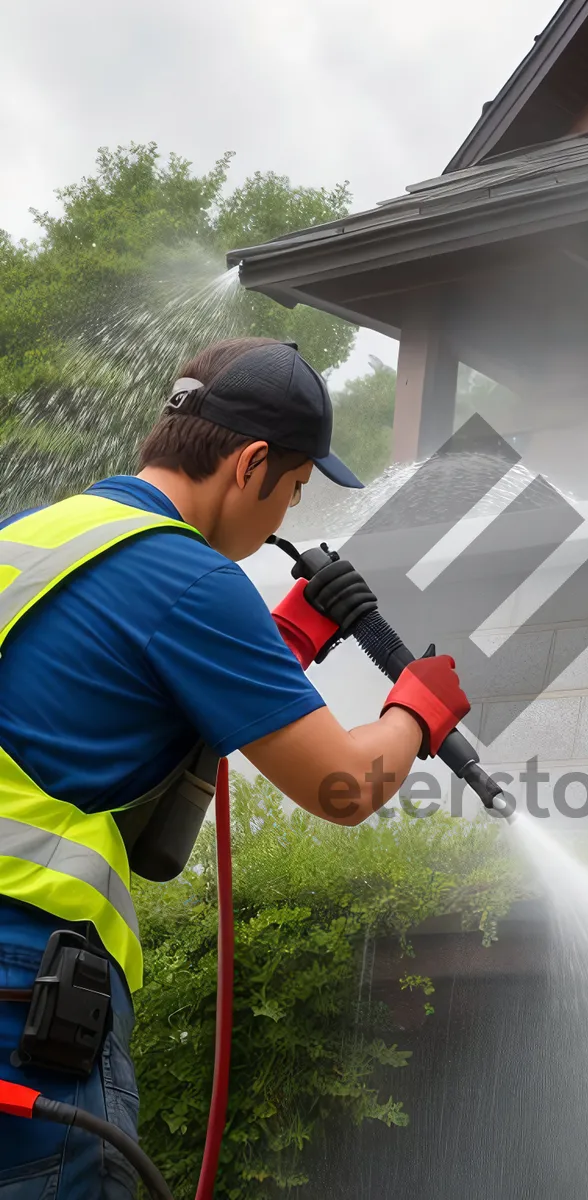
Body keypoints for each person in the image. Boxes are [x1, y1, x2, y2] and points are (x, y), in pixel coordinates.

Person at [0, 337, 470, 1197]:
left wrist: (282, 640)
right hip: (22, 981)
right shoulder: (186, 578)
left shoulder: (38, 537)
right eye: (292, 491)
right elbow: (343, 785)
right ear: (251, 464)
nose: (283, 522)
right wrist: (417, 711)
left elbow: (93, 701)